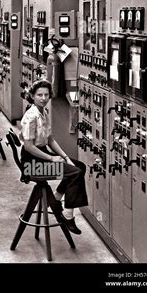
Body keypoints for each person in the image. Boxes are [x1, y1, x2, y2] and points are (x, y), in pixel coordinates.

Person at [19, 79, 88, 235]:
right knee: (75, 174)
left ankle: (57, 197)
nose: (43, 98)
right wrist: (51, 159)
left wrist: (64, 157)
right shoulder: (31, 117)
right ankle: (68, 215)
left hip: (42, 156)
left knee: (79, 167)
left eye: (46, 95)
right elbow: (28, 146)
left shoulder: (44, 112)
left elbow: (50, 139)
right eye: (39, 95)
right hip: (32, 164)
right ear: (32, 95)